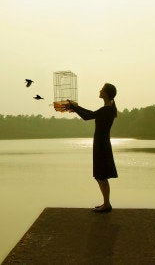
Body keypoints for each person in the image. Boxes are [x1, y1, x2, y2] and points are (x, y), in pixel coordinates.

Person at [65, 83, 118, 213]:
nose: (99, 91)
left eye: (102, 90)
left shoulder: (107, 109)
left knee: (101, 175)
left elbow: (88, 116)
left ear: (106, 93)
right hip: (102, 143)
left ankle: (106, 204)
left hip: (102, 144)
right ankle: (106, 203)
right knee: (101, 175)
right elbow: (89, 114)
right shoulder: (108, 108)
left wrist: (75, 107)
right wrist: (76, 107)